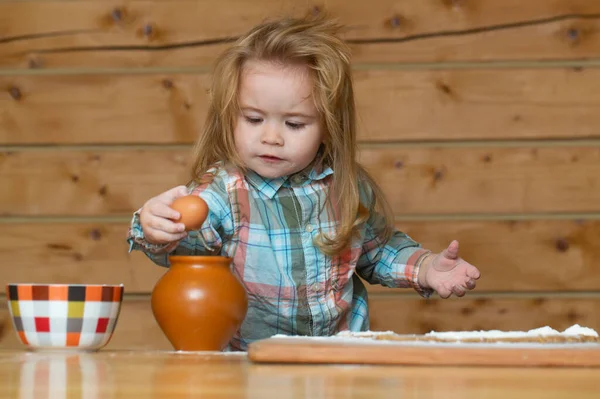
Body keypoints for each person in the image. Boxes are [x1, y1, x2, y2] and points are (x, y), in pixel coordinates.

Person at [127, 15, 481, 351]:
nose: (271, 137)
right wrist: (156, 230)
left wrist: (426, 268)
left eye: (294, 124)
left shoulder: (345, 186)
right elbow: (187, 255)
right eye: (253, 119)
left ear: (329, 126)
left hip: (341, 362)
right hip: (252, 366)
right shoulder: (223, 192)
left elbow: (376, 251)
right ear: (229, 116)